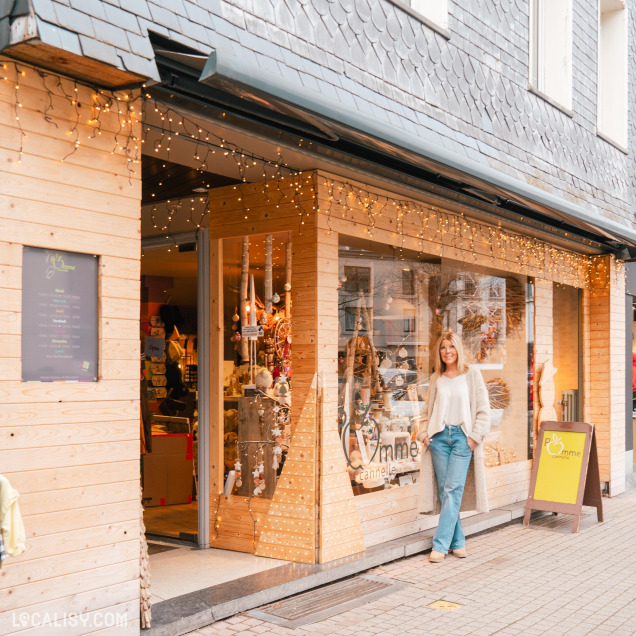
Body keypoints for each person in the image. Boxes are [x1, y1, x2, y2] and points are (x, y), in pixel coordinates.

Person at [417, 330, 490, 563]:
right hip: (438, 438)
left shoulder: (472, 375)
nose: (447, 351)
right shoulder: (436, 378)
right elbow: (427, 410)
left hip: (462, 438)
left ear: (458, 348)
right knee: (445, 492)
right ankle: (457, 542)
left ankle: (439, 545)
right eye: (443, 347)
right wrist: (423, 434)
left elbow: (483, 410)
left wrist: (474, 437)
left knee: (452, 490)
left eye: (451, 347)